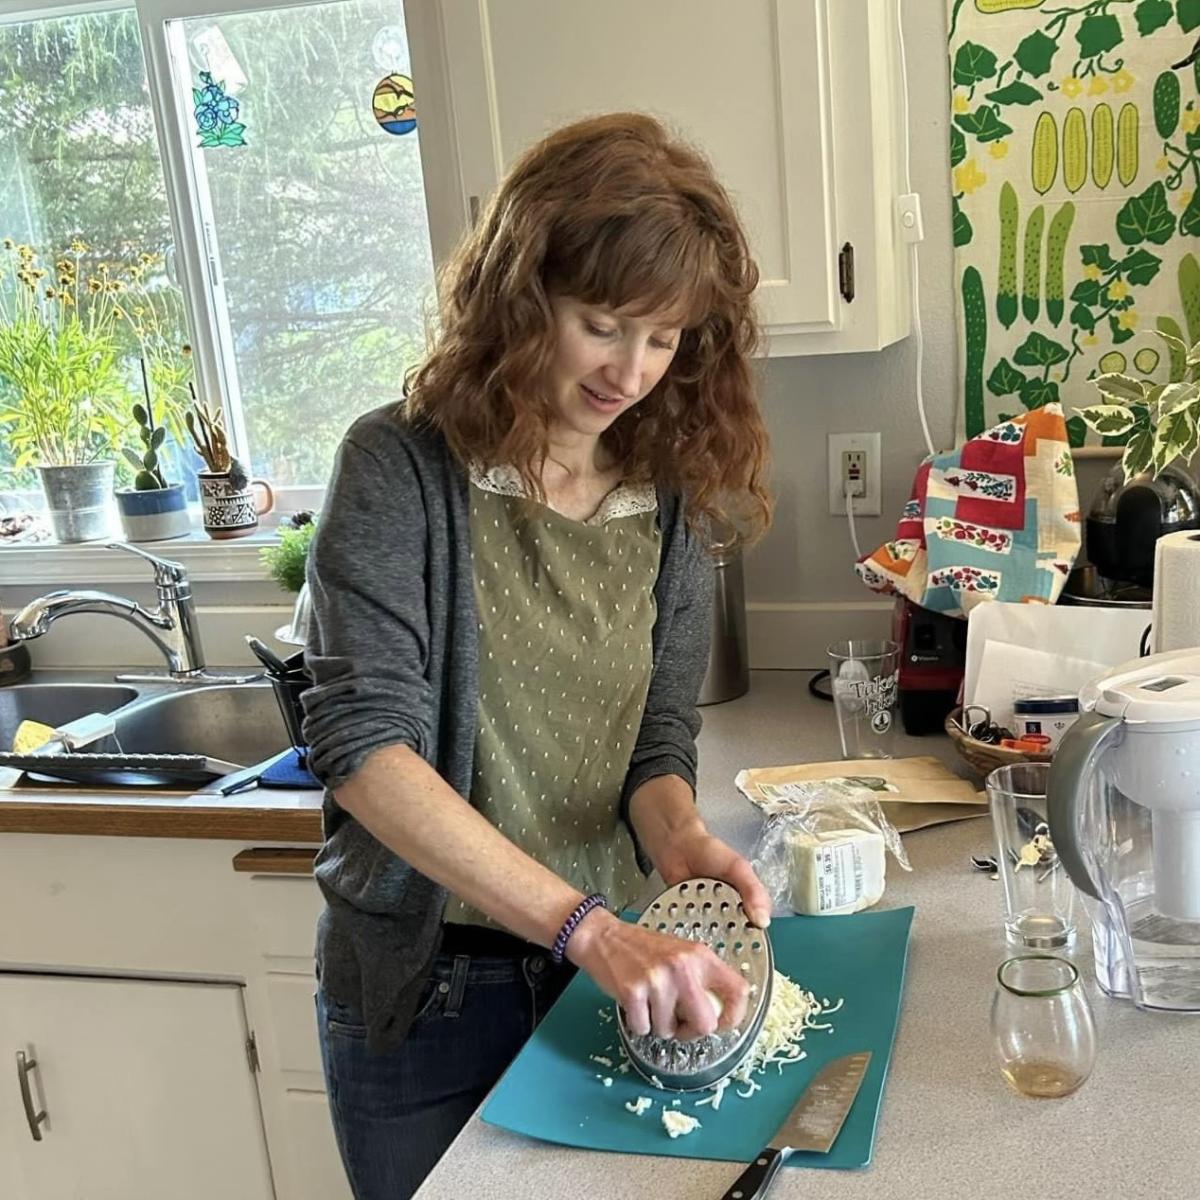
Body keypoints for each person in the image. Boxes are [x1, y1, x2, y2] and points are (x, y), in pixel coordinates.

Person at [303, 111, 775, 1200]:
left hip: (604, 980)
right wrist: (590, 929)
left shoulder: (669, 498)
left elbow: (655, 738)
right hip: (427, 998)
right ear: (521, 302)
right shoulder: (400, 468)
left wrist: (683, 840)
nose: (633, 370)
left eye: (665, 339)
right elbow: (365, 749)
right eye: (604, 324)